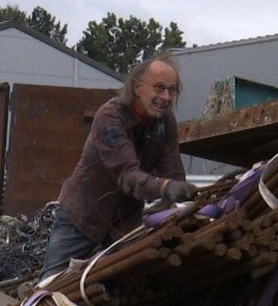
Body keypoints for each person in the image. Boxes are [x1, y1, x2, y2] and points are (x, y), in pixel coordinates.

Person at [38, 51, 197, 281]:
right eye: (159, 88)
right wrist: (164, 187)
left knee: (124, 286)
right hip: (82, 218)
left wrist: (186, 203)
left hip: (124, 223)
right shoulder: (110, 117)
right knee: (49, 289)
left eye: (171, 90)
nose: (165, 97)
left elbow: (172, 171)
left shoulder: (165, 123)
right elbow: (126, 175)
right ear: (137, 86)